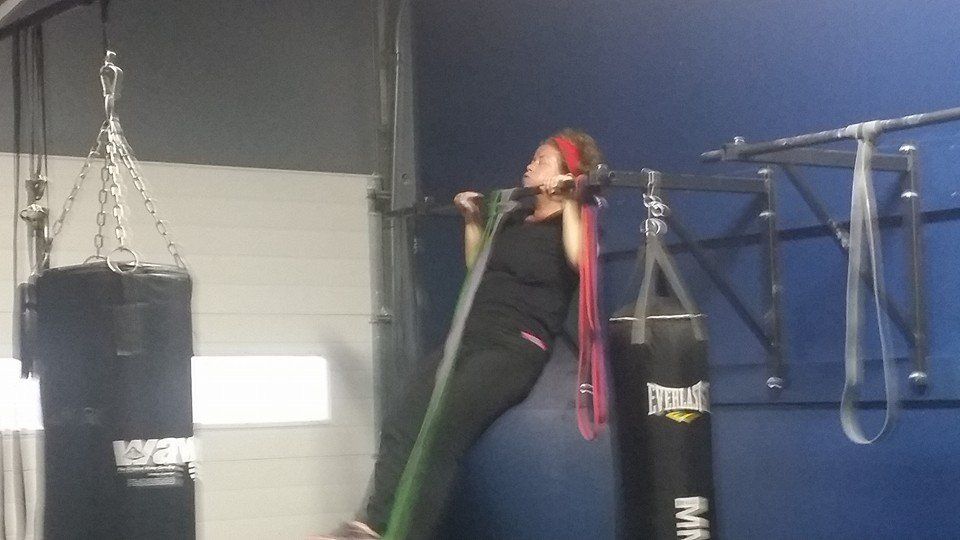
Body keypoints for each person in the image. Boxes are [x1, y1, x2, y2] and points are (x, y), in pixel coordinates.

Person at [318, 129, 603, 539]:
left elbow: (580, 261)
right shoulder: (514, 220)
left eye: (541, 160)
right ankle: (372, 526)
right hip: (468, 339)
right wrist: (472, 221)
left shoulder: (572, 226)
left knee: (439, 436)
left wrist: (574, 196)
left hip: (514, 348)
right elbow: (478, 269)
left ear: (566, 174)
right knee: (402, 421)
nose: (530, 164)